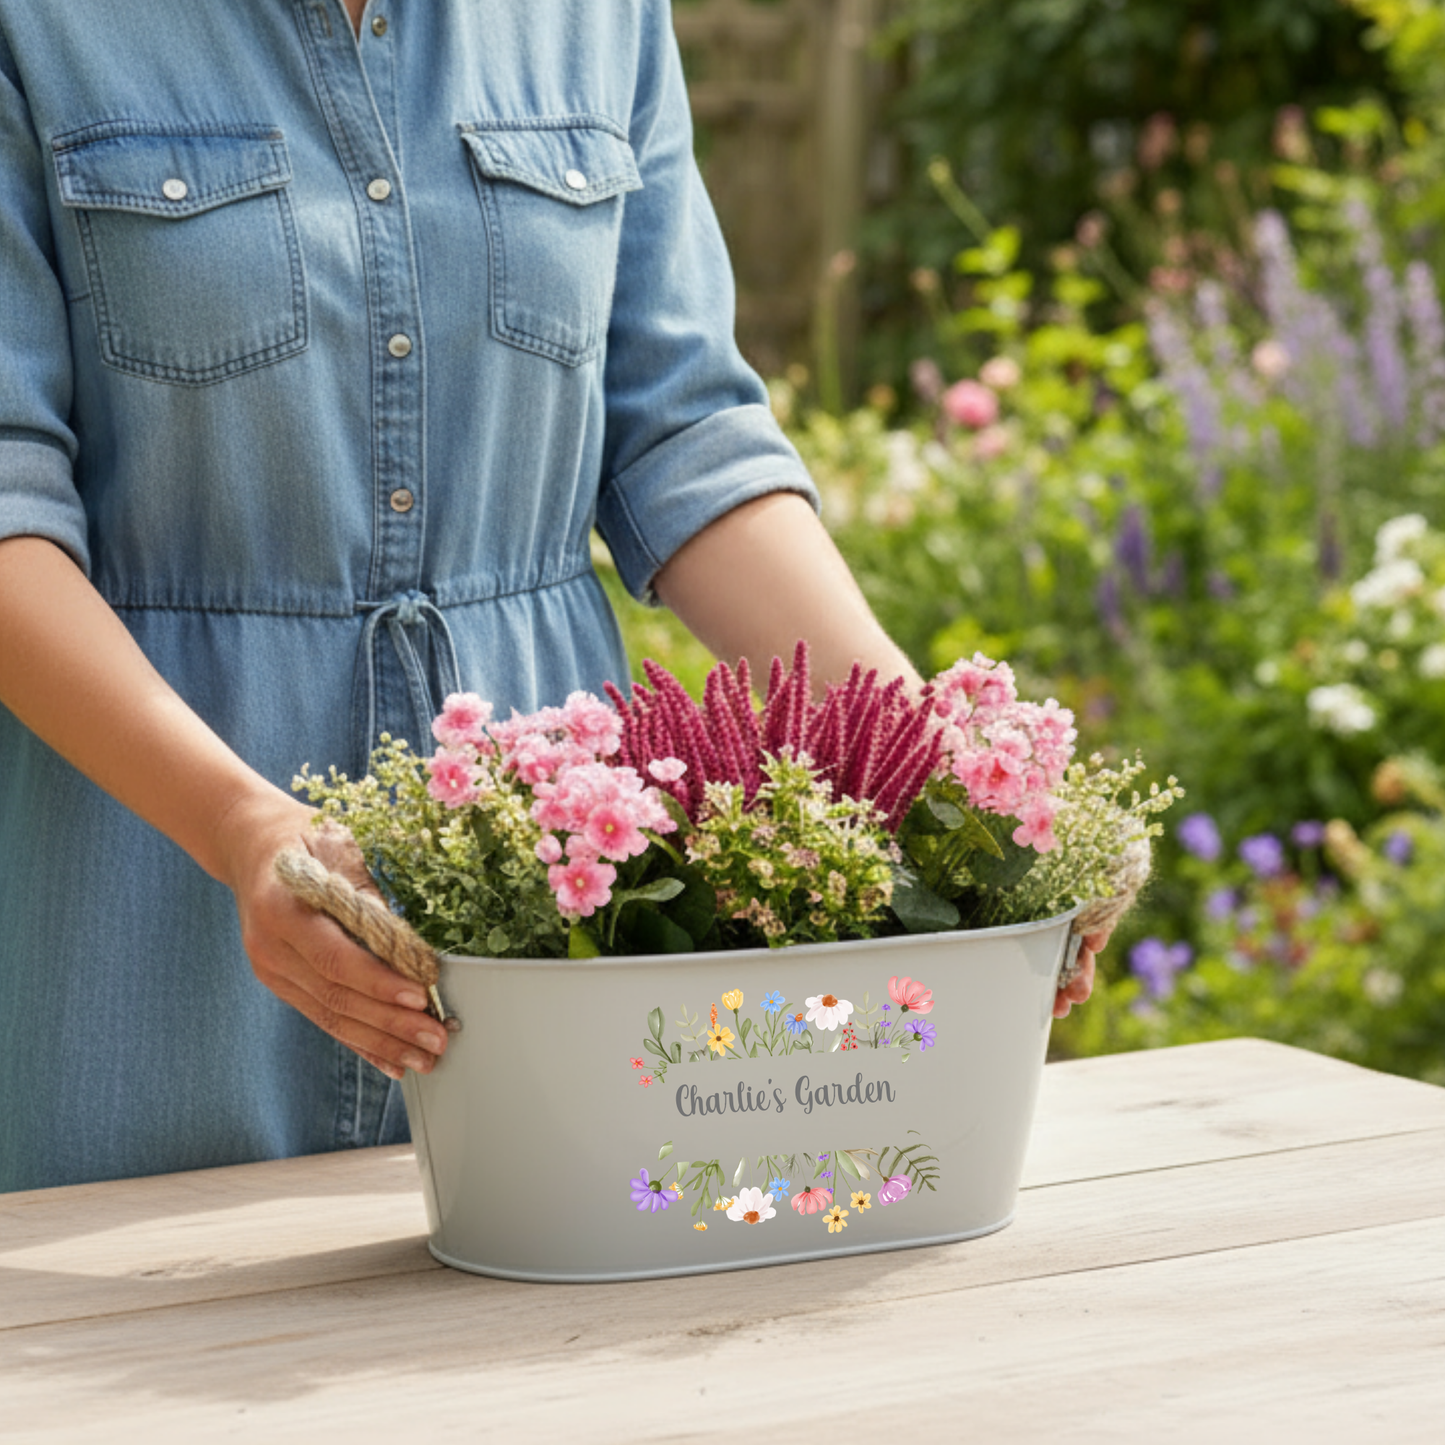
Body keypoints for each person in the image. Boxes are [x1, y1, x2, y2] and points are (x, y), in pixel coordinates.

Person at [0, 0, 1098, 1194]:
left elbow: (680, 437)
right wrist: (244, 829)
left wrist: (934, 767)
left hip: (555, 910)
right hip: (143, 888)